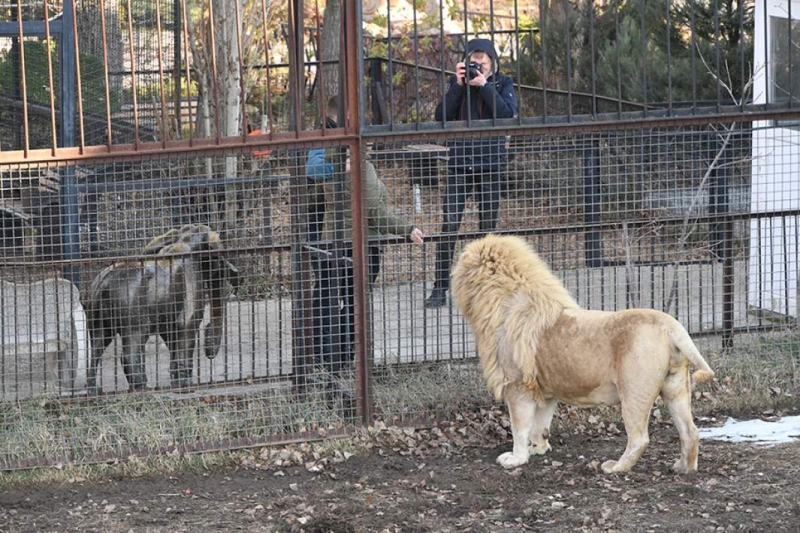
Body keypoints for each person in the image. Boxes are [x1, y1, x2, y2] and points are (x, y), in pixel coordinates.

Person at [307, 100, 425, 371]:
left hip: (330, 242)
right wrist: (407, 229)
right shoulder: (362, 169)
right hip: (360, 245)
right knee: (354, 302)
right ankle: (344, 359)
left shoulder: (329, 160)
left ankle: (323, 357)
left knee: (326, 296)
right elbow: (377, 215)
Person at [425, 37, 517, 308]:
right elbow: (441, 116)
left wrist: (485, 87)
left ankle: (486, 287)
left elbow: (507, 114)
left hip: (490, 163)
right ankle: (440, 287)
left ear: (492, 63)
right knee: (449, 225)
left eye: (483, 61)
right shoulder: (457, 83)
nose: (478, 66)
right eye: (473, 61)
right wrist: (458, 85)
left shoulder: (502, 83)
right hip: (460, 163)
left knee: (487, 228)